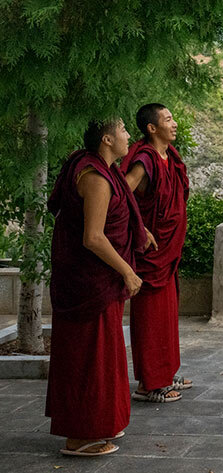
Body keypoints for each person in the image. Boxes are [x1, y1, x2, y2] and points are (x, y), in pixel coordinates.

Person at [46, 119, 150, 457]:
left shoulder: (105, 169)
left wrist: (139, 229)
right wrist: (128, 272)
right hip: (87, 283)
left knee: (104, 356)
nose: (128, 136)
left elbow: (118, 213)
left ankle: (101, 421)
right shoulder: (94, 178)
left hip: (95, 280)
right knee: (88, 359)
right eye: (122, 130)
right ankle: (80, 435)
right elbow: (92, 237)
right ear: (107, 139)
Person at [123, 104, 191, 403]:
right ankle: (149, 385)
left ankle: (165, 372)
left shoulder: (169, 157)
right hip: (151, 253)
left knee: (166, 315)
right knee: (151, 317)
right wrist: (139, 228)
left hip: (167, 250)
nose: (174, 123)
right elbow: (121, 192)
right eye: (168, 119)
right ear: (152, 128)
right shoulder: (145, 159)